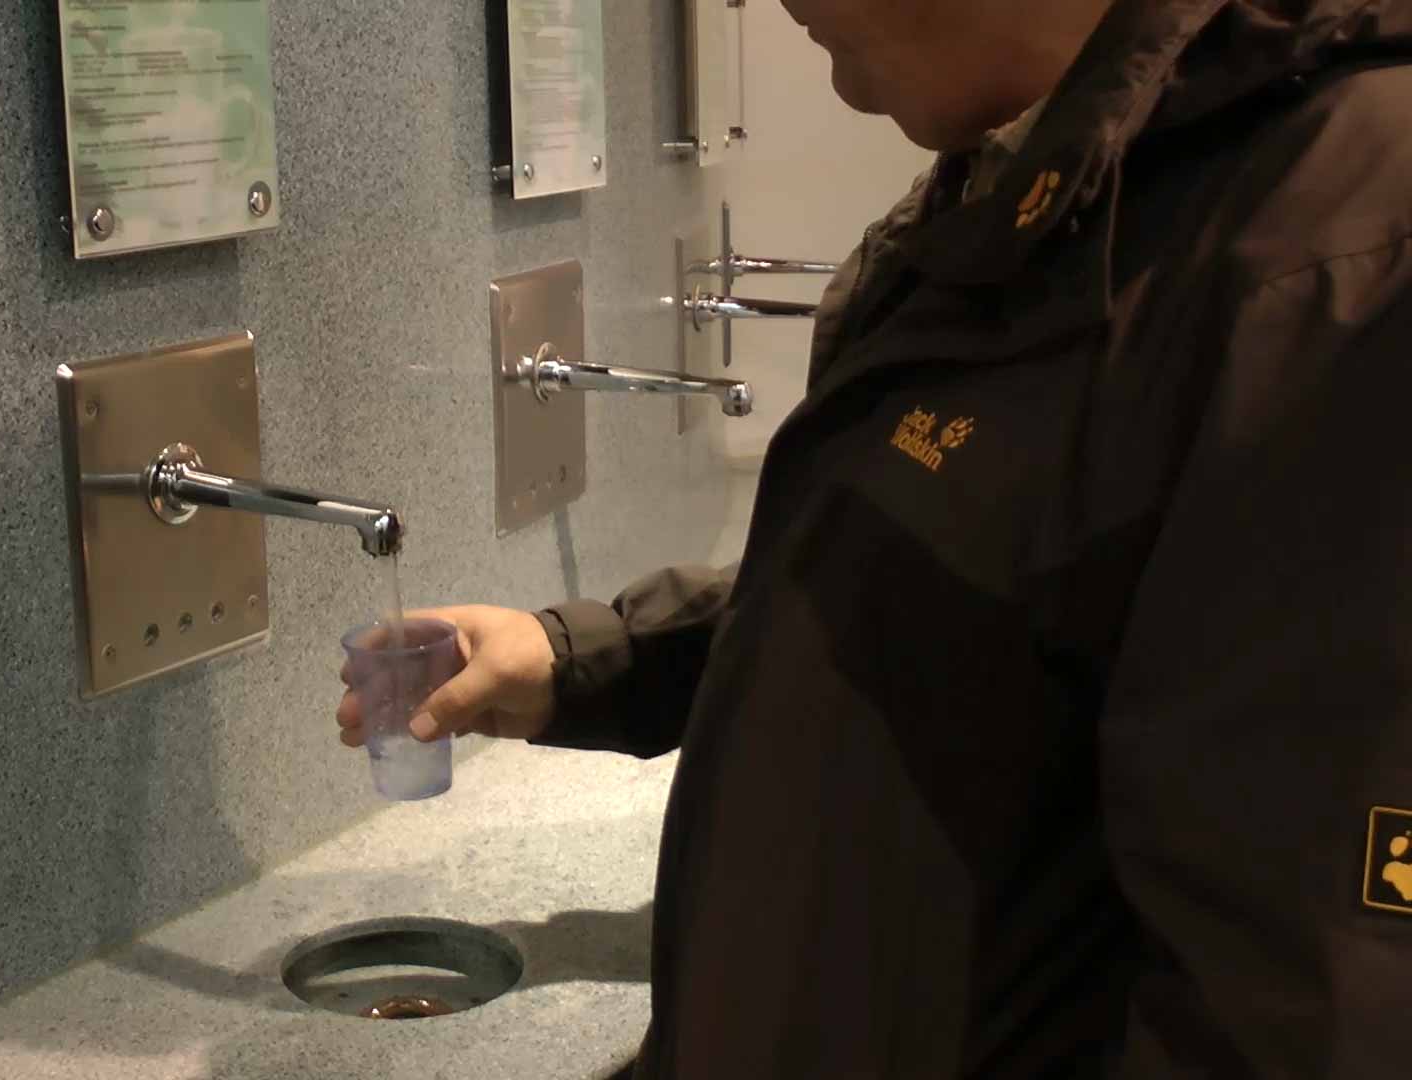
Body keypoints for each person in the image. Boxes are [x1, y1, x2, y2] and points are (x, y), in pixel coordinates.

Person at [338, 0, 1412, 1075]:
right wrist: (586, 659)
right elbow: (943, 603)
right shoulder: (1043, 180)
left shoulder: (1336, 263)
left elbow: (1301, 1013)